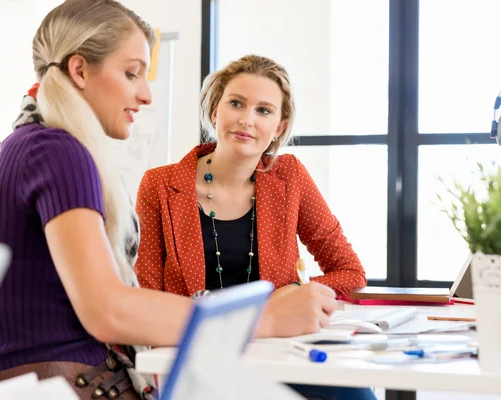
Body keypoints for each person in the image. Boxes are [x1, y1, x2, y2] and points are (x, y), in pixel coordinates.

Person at [0, 2, 338, 399]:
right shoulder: (60, 151)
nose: (145, 95)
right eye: (131, 74)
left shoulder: (30, 142)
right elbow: (109, 310)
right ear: (79, 71)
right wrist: (262, 318)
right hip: (70, 382)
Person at [134, 54, 374, 400]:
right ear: (215, 110)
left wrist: (292, 291)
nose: (247, 120)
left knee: (353, 392)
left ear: (279, 126)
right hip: (196, 359)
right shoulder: (159, 185)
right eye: (236, 103)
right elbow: (147, 300)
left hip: (277, 353)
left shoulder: (289, 176)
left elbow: (350, 271)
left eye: (264, 110)